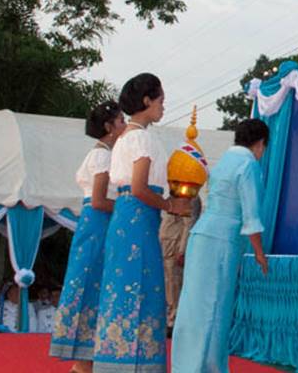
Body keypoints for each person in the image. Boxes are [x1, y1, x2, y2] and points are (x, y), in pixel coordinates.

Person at [92, 73, 191, 373]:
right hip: (139, 220)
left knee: (122, 289)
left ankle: (114, 361)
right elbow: (139, 188)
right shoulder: (142, 138)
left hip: (126, 219)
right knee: (142, 289)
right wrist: (171, 205)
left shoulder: (124, 138)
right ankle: (136, 365)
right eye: (161, 100)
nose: (163, 106)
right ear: (147, 100)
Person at [171, 118, 270, 373]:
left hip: (201, 234)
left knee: (193, 305)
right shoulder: (248, 164)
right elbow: (251, 215)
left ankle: (185, 366)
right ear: (260, 144)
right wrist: (259, 253)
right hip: (222, 241)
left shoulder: (224, 161)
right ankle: (207, 368)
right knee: (215, 307)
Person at [50, 100, 125, 370]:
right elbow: (99, 200)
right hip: (99, 223)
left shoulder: (101, 154)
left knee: (90, 283)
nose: (125, 125)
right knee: (93, 284)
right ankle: (84, 362)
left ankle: (86, 360)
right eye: (121, 121)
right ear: (109, 126)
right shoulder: (102, 156)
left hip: (94, 224)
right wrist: (130, 206)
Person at [159, 196, 201, 336]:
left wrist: (183, 250)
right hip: (166, 245)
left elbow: (189, 224)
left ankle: (174, 320)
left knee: (174, 283)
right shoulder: (172, 194)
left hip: (175, 248)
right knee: (168, 284)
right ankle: (169, 317)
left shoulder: (189, 195)